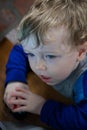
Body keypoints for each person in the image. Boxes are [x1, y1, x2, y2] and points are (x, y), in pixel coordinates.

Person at [3, 0, 87, 129]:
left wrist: (41, 107)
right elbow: (19, 49)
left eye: (50, 56)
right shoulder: (49, 45)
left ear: (81, 52)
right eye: (31, 54)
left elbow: (82, 121)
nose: (38, 66)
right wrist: (14, 80)